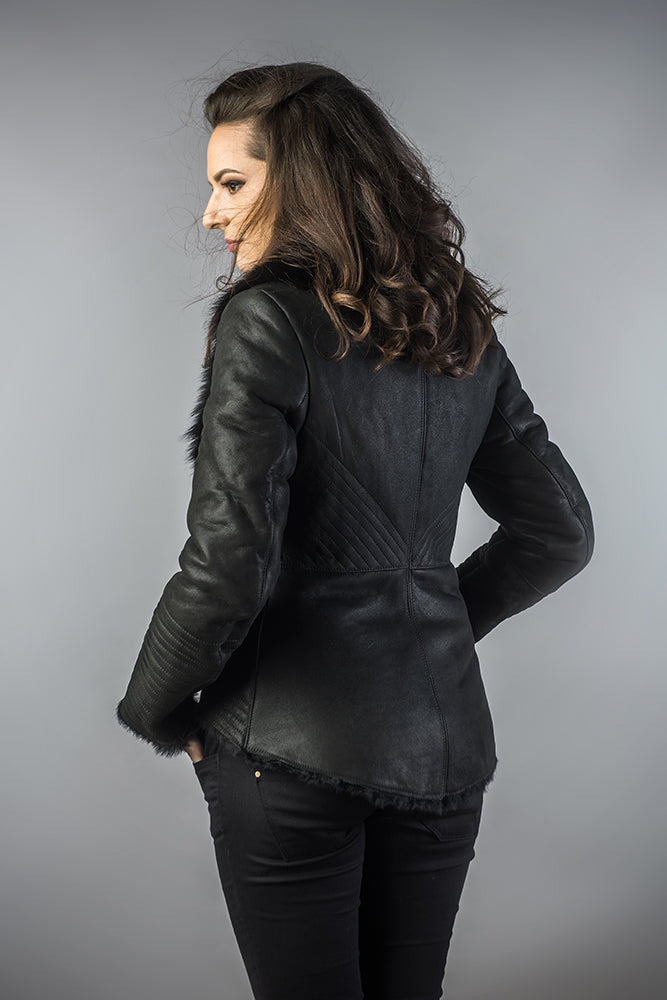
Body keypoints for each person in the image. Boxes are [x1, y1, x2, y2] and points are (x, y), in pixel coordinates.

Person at [116, 62, 595, 1000]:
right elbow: (557, 532)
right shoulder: (456, 324)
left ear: (300, 184)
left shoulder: (266, 321)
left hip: (285, 753)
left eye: (231, 183)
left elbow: (226, 565)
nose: (211, 214)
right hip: (443, 741)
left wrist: (157, 710)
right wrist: (433, 618)